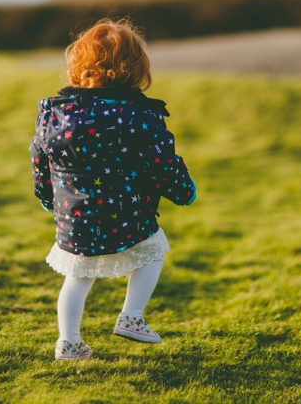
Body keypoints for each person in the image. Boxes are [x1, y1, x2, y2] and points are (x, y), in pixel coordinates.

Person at [30, 18, 197, 360]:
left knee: (77, 276)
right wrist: (183, 191)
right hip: (127, 215)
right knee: (153, 249)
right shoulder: (139, 113)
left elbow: (39, 160)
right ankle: (131, 317)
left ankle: (69, 342)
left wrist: (48, 199)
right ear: (136, 68)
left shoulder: (55, 113)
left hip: (75, 220)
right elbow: (162, 161)